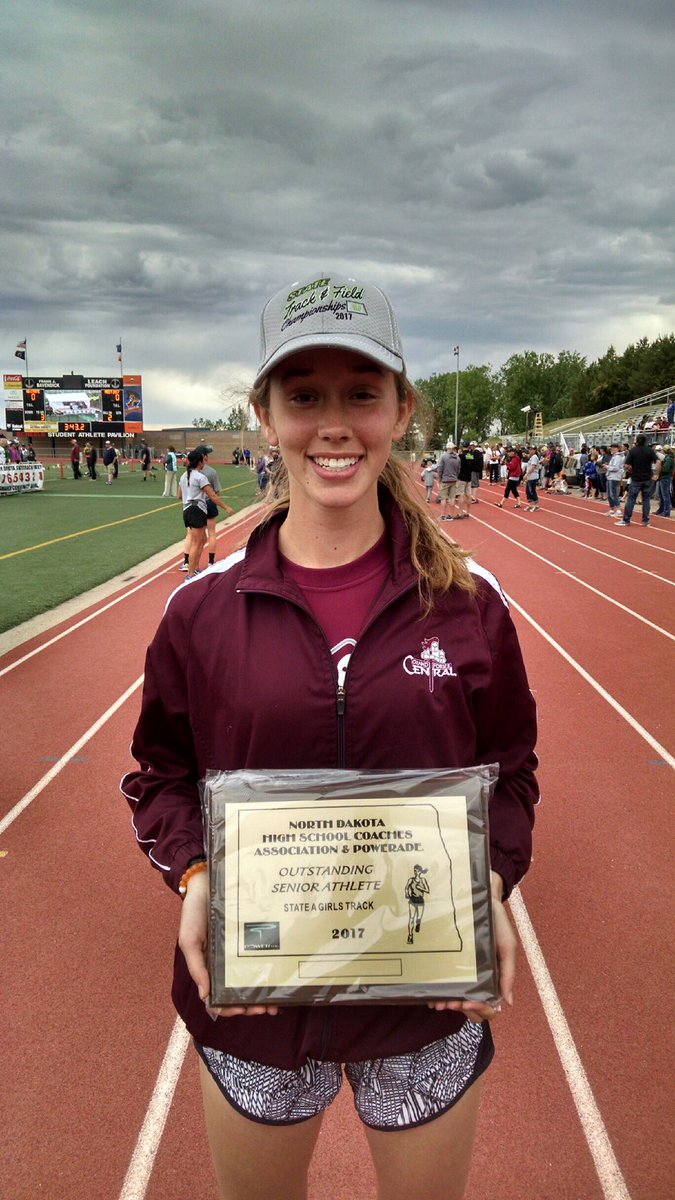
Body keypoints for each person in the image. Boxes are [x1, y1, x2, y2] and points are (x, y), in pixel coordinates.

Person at [121, 272, 538, 1200]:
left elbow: (511, 774)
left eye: (361, 393)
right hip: (258, 1010)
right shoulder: (199, 610)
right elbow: (160, 773)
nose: (333, 424)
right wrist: (193, 876)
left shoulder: (470, 605)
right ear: (264, 416)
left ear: (400, 409)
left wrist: (494, 879)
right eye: (303, 396)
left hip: (420, 1005)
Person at [178, 448, 233, 578]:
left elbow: (179, 495)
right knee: (196, 543)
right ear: (200, 462)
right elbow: (213, 496)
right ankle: (191, 574)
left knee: (202, 539)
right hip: (197, 510)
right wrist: (226, 507)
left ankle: (195, 568)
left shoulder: (183, 476)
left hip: (187, 510)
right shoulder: (200, 477)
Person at [615, 435, 656, 529]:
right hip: (647, 477)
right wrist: (656, 473)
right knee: (646, 499)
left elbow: (626, 465)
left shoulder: (633, 450)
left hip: (636, 478)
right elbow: (657, 461)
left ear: (636, 441)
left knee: (631, 499)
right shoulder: (650, 450)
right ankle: (645, 520)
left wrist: (630, 470)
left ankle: (626, 520)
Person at [436, 441, 460, 520]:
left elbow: (440, 469)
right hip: (454, 480)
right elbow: (458, 469)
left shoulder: (443, 456)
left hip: (445, 480)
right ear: (453, 448)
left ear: (447, 448)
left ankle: (443, 515)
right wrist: (455, 476)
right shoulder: (457, 457)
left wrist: (439, 478)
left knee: (443, 498)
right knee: (452, 498)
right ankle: (450, 515)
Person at [604, 444, 625, 517]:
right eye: (611, 448)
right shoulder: (614, 457)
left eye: (613, 448)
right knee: (609, 494)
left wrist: (607, 467)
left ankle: (618, 510)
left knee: (613, 494)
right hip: (610, 477)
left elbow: (615, 468)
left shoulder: (618, 457)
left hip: (614, 477)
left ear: (617, 449)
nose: (611, 449)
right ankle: (612, 509)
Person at [654, 445, 673, 518]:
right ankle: (661, 509)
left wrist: (660, 467)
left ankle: (666, 511)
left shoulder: (669, 459)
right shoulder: (668, 458)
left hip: (665, 478)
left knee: (665, 495)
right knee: (662, 495)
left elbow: (666, 469)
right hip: (664, 478)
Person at [523, 446, 540, 511]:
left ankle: (536, 505)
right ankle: (530, 504)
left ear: (535, 450)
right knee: (528, 491)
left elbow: (533, 467)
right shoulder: (531, 457)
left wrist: (526, 474)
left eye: (532, 449)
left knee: (532, 491)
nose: (530, 451)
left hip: (533, 476)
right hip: (530, 477)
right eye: (529, 449)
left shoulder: (534, 457)